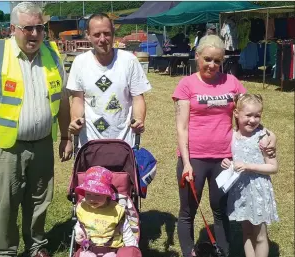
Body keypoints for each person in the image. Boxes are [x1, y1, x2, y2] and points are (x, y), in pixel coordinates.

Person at [0, 2, 72, 257]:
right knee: (6, 204)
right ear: (13, 28)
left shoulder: (52, 55)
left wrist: (66, 136)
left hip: (43, 143)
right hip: (7, 147)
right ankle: (5, 251)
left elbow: (63, 97)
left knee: (39, 200)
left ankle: (36, 246)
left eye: (39, 28)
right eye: (28, 28)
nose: (34, 34)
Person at [172, 35, 276, 257]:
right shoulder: (186, 84)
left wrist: (269, 134)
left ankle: (224, 253)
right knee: (188, 211)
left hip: (225, 158)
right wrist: (187, 162)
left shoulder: (232, 82)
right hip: (195, 158)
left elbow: (250, 111)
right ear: (197, 56)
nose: (212, 65)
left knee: (220, 211)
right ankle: (189, 252)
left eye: (217, 61)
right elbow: (182, 127)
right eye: (207, 59)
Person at [67, 13, 151, 148]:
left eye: (107, 33)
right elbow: (78, 99)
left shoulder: (129, 61)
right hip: (90, 143)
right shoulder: (80, 62)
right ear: (88, 35)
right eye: (96, 34)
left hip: (124, 143)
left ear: (113, 33)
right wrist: (75, 120)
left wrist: (139, 120)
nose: (102, 39)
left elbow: (138, 98)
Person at [222, 93, 279, 257]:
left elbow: (273, 167)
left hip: (258, 192)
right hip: (240, 192)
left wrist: (248, 166)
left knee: (260, 235)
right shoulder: (232, 136)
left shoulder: (263, 137)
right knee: (246, 233)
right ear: (236, 114)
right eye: (248, 115)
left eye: (257, 116)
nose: (252, 120)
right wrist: (227, 163)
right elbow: (233, 159)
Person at [74, 166, 141, 257]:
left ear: (107, 195)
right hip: (88, 248)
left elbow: (126, 231)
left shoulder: (116, 210)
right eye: (88, 194)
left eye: (97, 195)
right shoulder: (83, 208)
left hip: (113, 250)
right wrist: (79, 235)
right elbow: (80, 224)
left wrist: (132, 248)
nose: (92, 199)